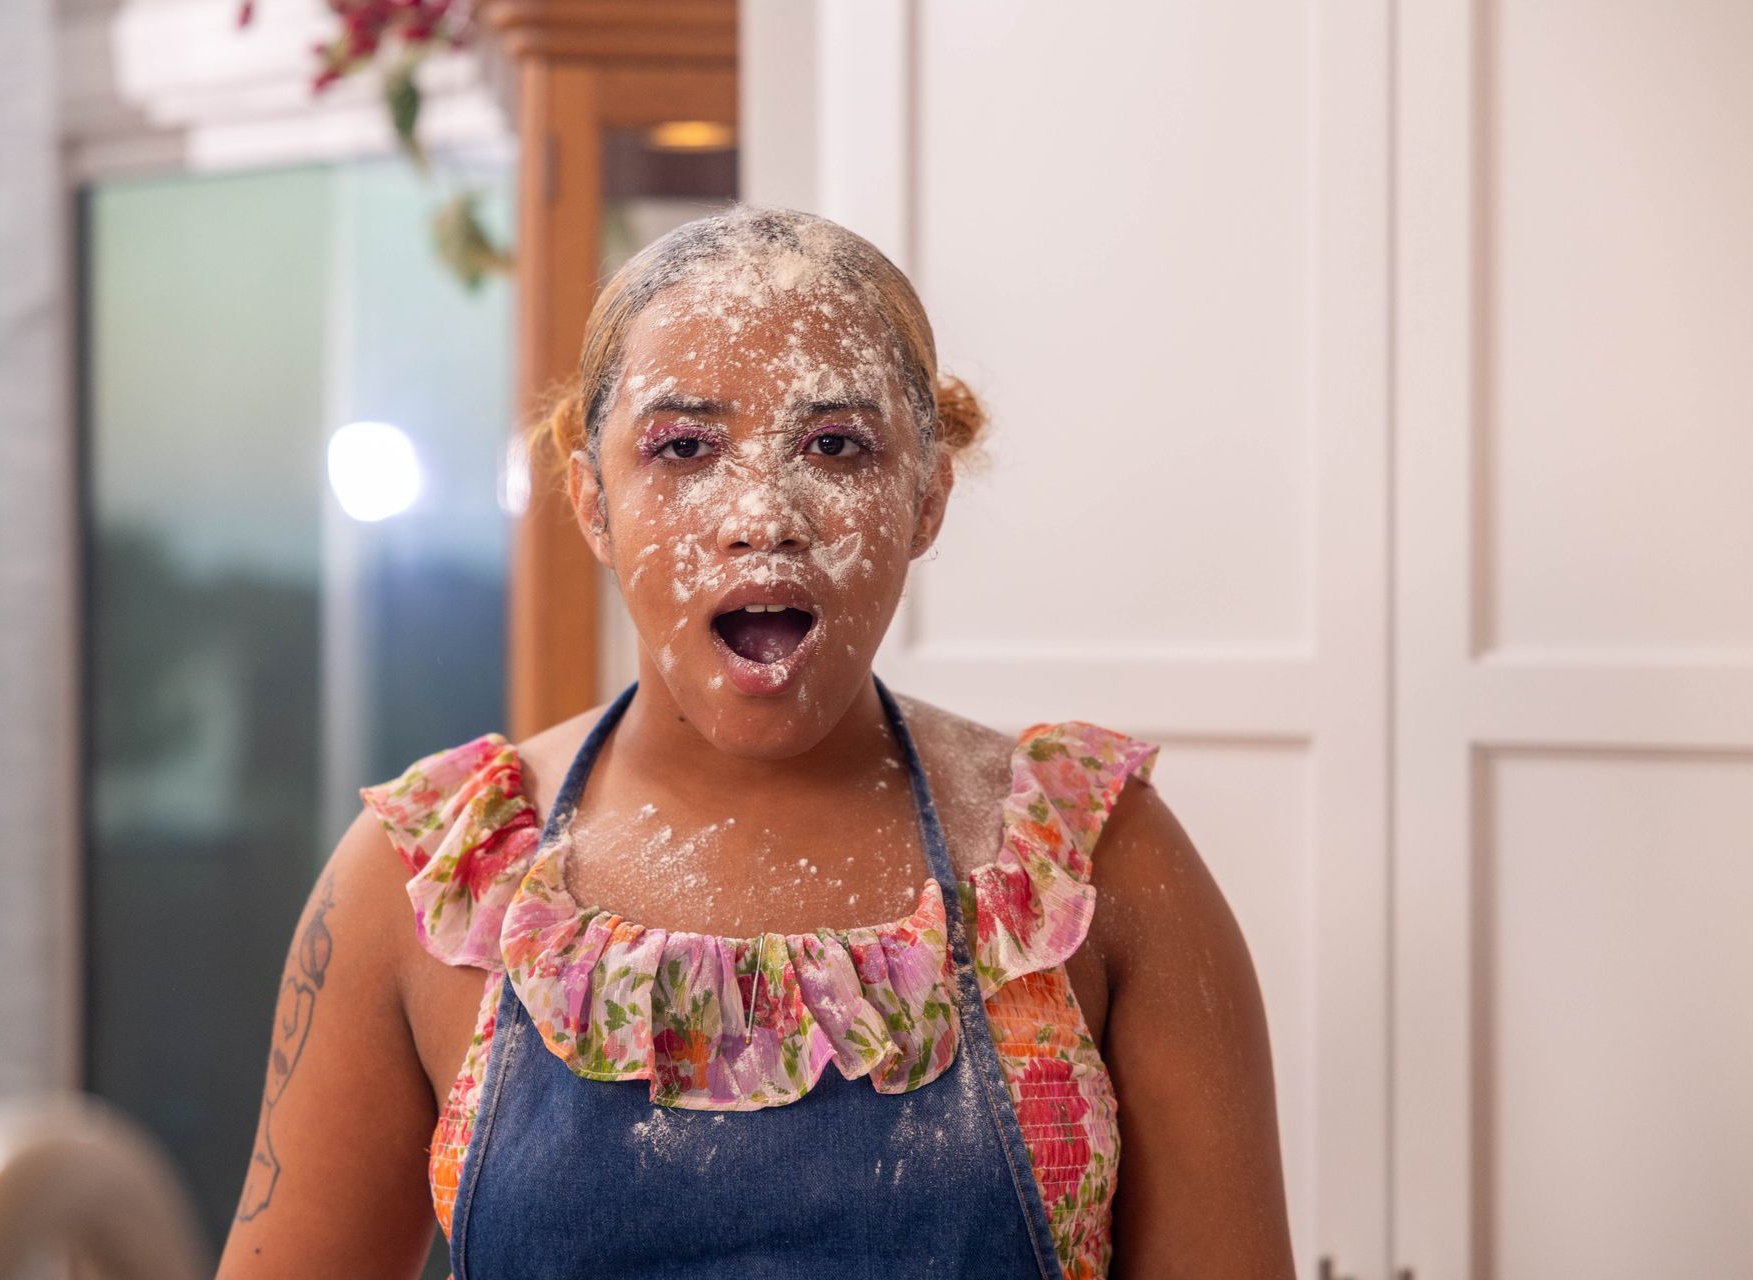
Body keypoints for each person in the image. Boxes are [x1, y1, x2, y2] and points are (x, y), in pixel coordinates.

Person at [217, 205, 1294, 1278]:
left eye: (836, 445)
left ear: (927, 496)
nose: (763, 514)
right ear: (592, 500)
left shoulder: (1099, 865)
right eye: (684, 447)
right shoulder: (426, 882)